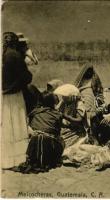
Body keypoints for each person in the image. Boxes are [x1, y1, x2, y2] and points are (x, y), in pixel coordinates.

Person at [2, 32, 33, 169]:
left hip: (4, 95)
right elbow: (26, 76)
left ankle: (6, 159)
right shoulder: (14, 56)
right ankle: (18, 158)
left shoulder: (4, 54)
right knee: (17, 123)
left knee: (7, 126)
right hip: (15, 95)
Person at [15, 92, 64, 173]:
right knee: (61, 141)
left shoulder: (34, 112)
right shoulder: (57, 114)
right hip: (49, 144)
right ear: (53, 102)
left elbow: (31, 125)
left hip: (34, 142)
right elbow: (57, 132)